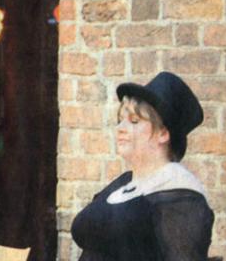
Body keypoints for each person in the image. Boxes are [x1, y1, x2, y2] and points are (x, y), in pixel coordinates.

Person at [70, 72, 214, 260]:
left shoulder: (180, 195)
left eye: (134, 121)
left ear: (163, 134)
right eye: (120, 119)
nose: (120, 128)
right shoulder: (122, 184)